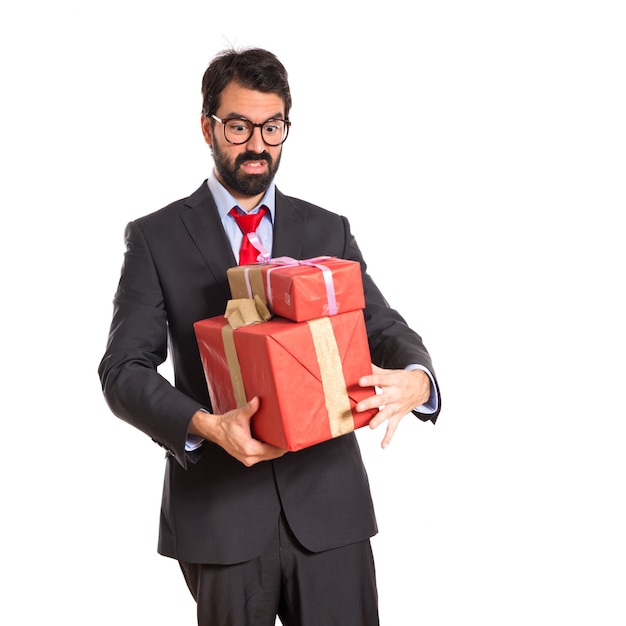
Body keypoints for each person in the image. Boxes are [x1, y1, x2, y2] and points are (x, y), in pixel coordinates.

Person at [98, 46, 441, 626]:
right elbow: (123, 369)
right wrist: (205, 426)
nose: (257, 144)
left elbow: (378, 324)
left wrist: (418, 379)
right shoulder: (156, 237)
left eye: (272, 126)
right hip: (223, 516)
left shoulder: (327, 228)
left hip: (330, 513)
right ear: (207, 127)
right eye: (239, 126)